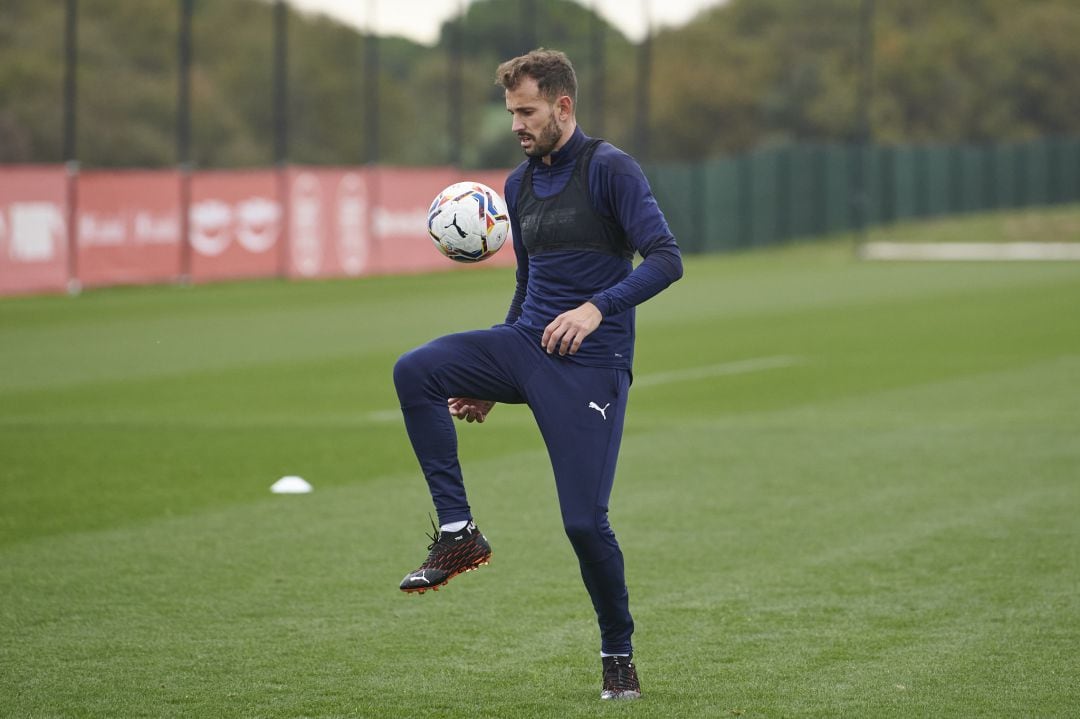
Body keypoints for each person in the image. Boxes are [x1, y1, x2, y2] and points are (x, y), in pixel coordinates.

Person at [393, 48, 682, 701]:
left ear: (563, 105)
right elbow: (528, 284)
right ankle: (458, 531)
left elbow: (667, 259)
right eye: (511, 112)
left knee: (584, 523)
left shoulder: (611, 169)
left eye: (527, 111)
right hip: (526, 344)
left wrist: (596, 306)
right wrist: (496, 378)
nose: (517, 123)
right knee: (416, 371)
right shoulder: (517, 185)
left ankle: (618, 655)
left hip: (592, 366)